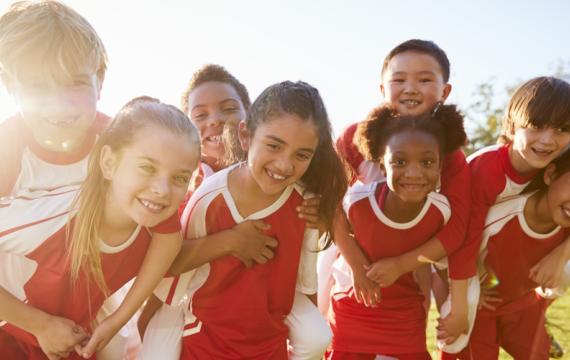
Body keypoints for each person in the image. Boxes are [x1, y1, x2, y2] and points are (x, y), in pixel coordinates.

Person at [139, 65, 330, 360]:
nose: (215, 121)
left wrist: (323, 214)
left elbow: (305, 278)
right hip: (188, 295)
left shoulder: (297, 192)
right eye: (200, 115)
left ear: (246, 115)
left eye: (227, 108)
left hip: (266, 294)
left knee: (317, 335)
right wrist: (232, 240)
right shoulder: (187, 185)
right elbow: (167, 269)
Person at [0, 97, 201, 360]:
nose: (162, 190)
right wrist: (40, 325)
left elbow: (170, 243)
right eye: (146, 167)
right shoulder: (59, 216)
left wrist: (115, 322)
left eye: (179, 178)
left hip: (66, 340)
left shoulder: (155, 228)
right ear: (108, 163)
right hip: (12, 335)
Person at [326, 39, 472, 347]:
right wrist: (355, 264)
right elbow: (332, 206)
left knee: (409, 328)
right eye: (398, 79)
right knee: (328, 323)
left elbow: (456, 230)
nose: (410, 88)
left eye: (424, 79)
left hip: (416, 255)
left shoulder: (450, 155)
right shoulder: (354, 137)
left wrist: (403, 264)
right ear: (382, 89)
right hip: (351, 247)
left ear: (445, 92)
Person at [440, 76, 570, 359]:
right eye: (536, 127)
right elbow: (463, 239)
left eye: (562, 129)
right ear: (512, 126)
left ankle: (538, 316)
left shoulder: (558, 165)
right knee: (459, 327)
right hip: (457, 255)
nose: (548, 140)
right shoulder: (486, 170)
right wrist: (463, 302)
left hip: (511, 270)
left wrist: (562, 253)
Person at [457, 148, 570, 359]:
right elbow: (454, 252)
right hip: (482, 305)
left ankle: (541, 313)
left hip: (523, 304)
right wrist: (469, 289)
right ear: (551, 175)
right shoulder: (502, 215)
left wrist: (562, 254)